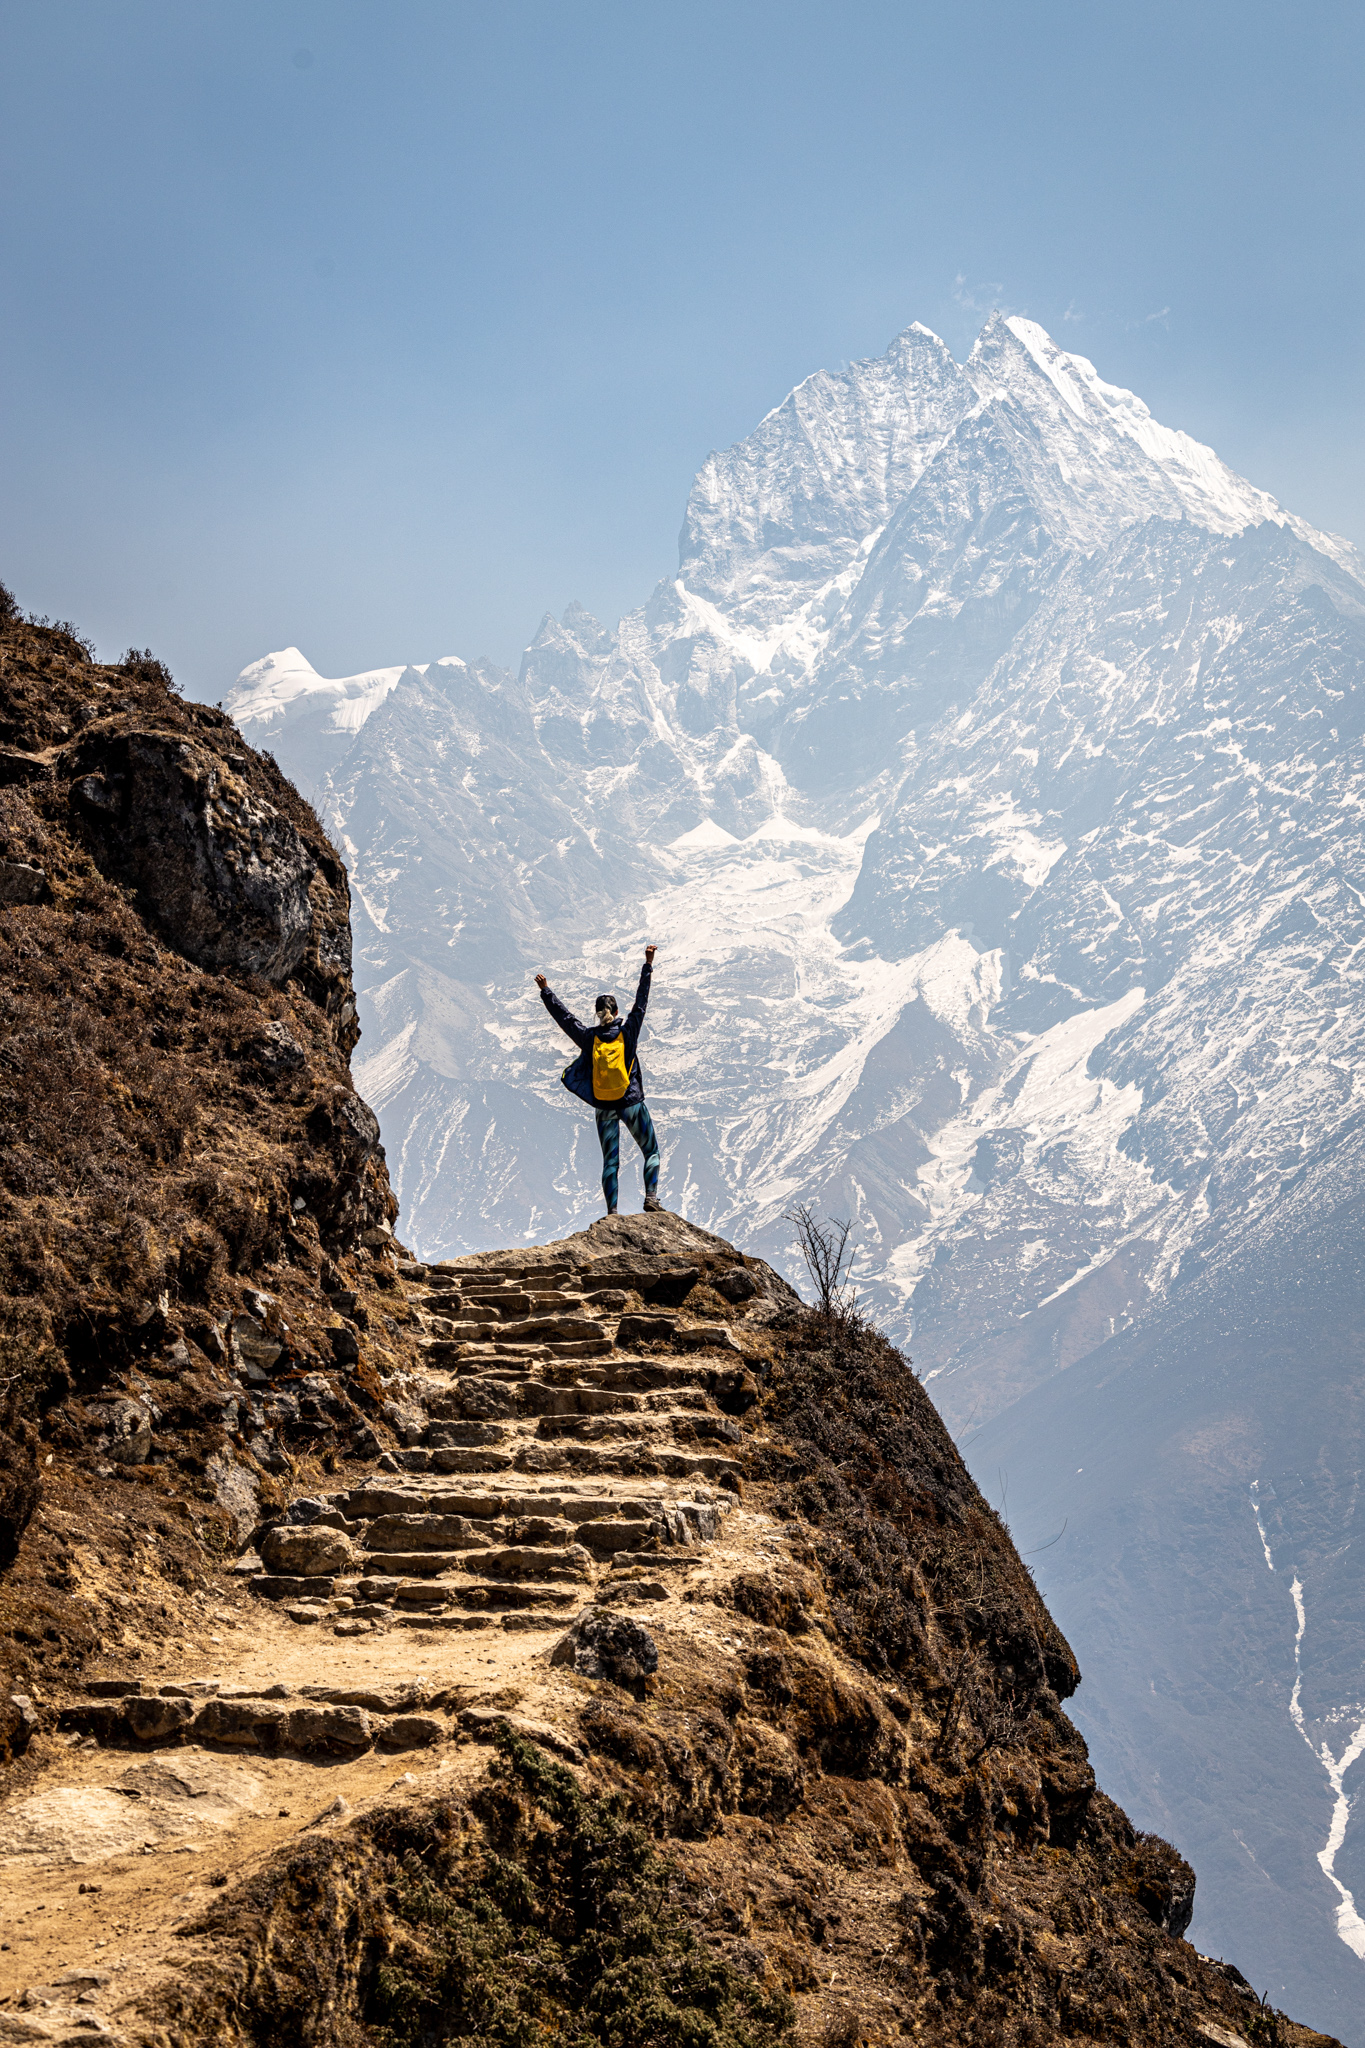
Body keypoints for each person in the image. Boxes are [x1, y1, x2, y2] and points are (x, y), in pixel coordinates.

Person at [535, 944, 662, 1216]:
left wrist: (546, 992)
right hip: (630, 1102)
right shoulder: (628, 1033)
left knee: (610, 1162)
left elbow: (565, 1018)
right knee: (651, 1151)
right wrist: (647, 965)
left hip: (603, 1105)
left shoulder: (588, 1037)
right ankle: (651, 1197)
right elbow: (641, 1002)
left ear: (597, 1014)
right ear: (616, 1013)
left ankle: (612, 1213)